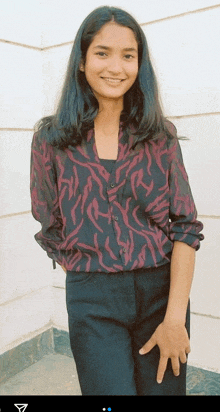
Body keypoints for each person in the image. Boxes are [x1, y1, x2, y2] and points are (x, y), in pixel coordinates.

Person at [30, 6, 204, 396]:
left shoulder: (161, 137)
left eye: (128, 55)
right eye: (102, 53)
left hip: (162, 296)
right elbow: (50, 224)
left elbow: (186, 228)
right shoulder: (51, 140)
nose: (116, 66)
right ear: (82, 61)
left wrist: (174, 318)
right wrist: (91, 274)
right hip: (92, 301)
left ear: (139, 65)